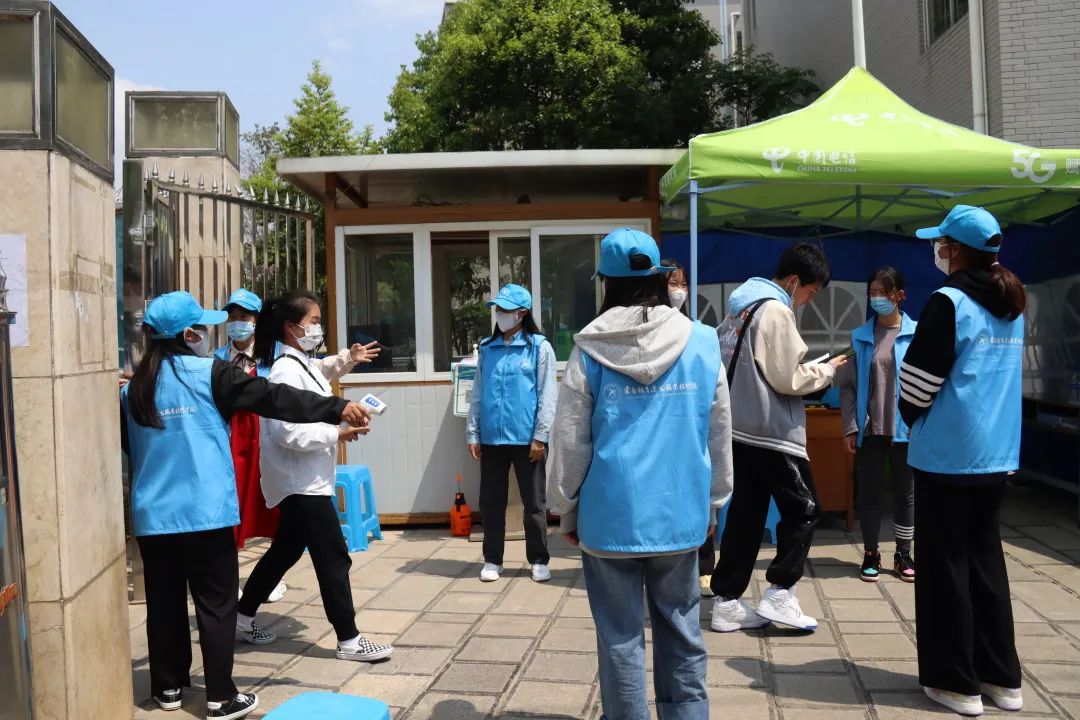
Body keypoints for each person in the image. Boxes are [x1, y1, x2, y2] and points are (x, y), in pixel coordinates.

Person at [121, 291, 371, 719]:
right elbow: (275, 398)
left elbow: (130, 448)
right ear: (189, 334)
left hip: (154, 515)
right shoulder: (211, 373)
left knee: (163, 603)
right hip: (206, 511)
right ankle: (220, 697)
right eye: (202, 326)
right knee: (216, 605)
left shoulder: (133, 389)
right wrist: (337, 407)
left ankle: (168, 687)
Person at [548, 228, 733, 720]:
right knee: (682, 630)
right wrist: (714, 503)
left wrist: (564, 507)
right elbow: (718, 431)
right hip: (680, 513)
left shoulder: (590, 347)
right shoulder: (702, 341)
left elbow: (570, 438)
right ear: (658, 277)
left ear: (605, 282)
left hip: (610, 517)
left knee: (620, 636)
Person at [901, 205, 1025, 716]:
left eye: (941, 243)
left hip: (948, 455)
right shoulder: (1012, 301)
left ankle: (955, 682)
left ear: (954, 249)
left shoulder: (948, 301)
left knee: (944, 567)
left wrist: (911, 418)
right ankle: (1001, 678)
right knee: (986, 562)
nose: (937, 250)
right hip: (997, 453)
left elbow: (917, 384)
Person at [236, 291, 392, 662]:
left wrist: (348, 359)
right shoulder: (284, 370)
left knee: (285, 551)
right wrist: (336, 433)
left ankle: (240, 617)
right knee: (333, 556)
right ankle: (349, 639)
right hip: (300, 483)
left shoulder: (298, 362)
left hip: (305, 479)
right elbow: (287, 432)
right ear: (292, 327)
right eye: (315, 321)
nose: (319, 329)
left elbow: (319, 372)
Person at [709, 243, 847, 632]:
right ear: (794, 281)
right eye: (811, 292)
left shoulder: (739, 309)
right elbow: (788, 378)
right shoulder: (775, 310)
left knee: (745, 516)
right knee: (805, 507)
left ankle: (726, 601)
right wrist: (826, 371)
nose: (808, 300)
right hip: (771, 430)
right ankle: (780, 591)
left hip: (739, 428)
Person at [465, 284, 556, 583]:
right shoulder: (487, 348)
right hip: (492, 438)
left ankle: (539, 559)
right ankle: (493, 559)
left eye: (506, 309)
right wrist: (473, 432)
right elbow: (477, 392)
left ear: (523, 313)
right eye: (498, 309)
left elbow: (547, 395)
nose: (500, 314)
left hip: (527, 439)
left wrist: (540, 436)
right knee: (491, 502)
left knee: (534, 503)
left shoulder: (539, 347)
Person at [212, 289, 291, 605]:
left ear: (257, 320)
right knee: (231, 509)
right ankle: (227, 578)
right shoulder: (216, 359)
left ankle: (273, 576)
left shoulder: (276, 357)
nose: (237, 323)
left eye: (244, 316)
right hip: (232, 445)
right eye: (232, 317)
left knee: (274, 508)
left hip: (269, 440)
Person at [838, 267, 917, 582]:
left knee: (905, 493)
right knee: (868, 494)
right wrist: (849, 425)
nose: (877, 298)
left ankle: (903, 554)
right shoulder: (859, 336)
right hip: (869, 428)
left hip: (906, 428)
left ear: (900, 295)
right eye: (872, 293)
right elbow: (848, 387)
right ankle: (871, 553)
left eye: (883, 292)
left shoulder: (917, 334)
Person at [661, 258, 717, 598]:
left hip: (692, 428)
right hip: (664, 430)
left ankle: (706, 568)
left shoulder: (697, 332)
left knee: (699, 496)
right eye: (673, 283)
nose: (678, 291)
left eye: (682, 284)